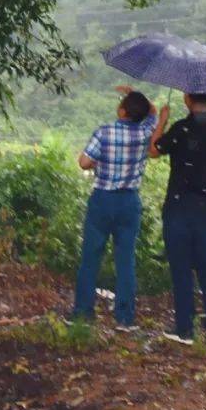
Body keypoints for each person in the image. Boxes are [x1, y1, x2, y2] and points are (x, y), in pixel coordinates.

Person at [149, 91, 206, 348]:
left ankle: (185, 329)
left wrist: (162, 120)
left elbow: (153, 151)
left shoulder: (180, 129)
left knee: (181, 269)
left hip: (178, 208)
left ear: (187, 99)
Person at [72, 85, 158, 329]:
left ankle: (83, 313)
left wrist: (98, 163)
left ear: (122, 111)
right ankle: (125, 318)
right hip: (129, 202)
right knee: (126, 260)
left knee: (90, 258)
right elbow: (151, 113)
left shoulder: (105, 132)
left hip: (102, 200)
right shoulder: (144, 133)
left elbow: (84, 162)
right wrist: (138, 96)